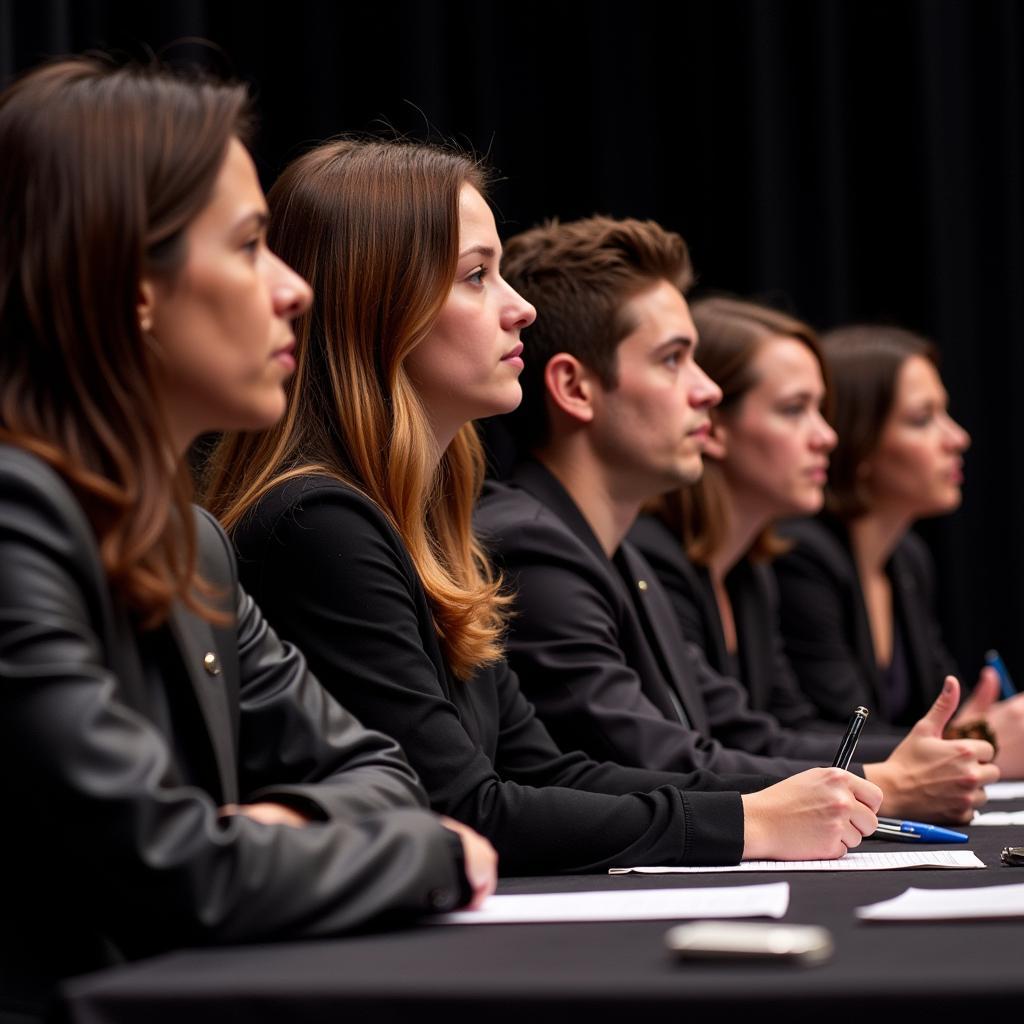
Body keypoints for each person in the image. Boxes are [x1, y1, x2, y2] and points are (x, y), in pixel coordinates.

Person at [204, 139, 884, 880]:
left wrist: (776, 803)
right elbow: (465, 806)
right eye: (476, 277)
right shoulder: (320, 526)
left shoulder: (426, 528)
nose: (519, 306)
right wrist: (747, 821)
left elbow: (543, 768)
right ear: (381, 306)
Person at [0, 58, 495, 1022]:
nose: (293, 291)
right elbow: (172, 870)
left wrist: (269, 827)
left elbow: (385, 774)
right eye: (249, 247)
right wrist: (428, 853)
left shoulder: (192, 543)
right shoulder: (15, 517)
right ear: (130, 285)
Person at [475, 216, 997, 824]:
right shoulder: (535, 543)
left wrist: (901, 769)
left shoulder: (619, 553)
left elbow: (739, 728)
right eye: (674, 360)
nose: (708, 392)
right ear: (575, 387)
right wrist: (884, 782)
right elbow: (646, 753)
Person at [632, 297, 904, 733]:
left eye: (821, 410)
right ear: (713, 426)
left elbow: (789, 727)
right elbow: (734, 744)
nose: (827, 436)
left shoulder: (749, 573)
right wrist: (916, 767)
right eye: (795, 410)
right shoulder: (652, 560)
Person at [773, 324, 1024, 774]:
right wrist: (976, 739)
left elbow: (936, 709)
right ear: (859, 440)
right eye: (922, 419)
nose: (957, 438)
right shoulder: (800, 556)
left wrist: (969, 726)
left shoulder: (907, 558)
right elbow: (821, 730)